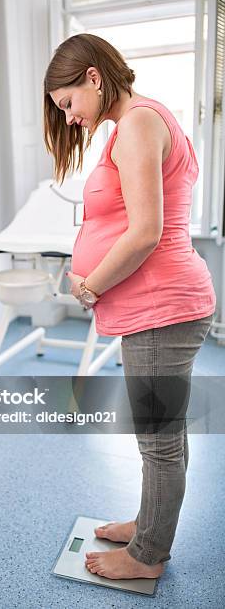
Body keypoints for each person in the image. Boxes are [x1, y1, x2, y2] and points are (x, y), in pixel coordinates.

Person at [44, 34, 216, 580]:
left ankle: (147, 557)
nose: (70, 119)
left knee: (159, 443)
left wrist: (91, 284)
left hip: (161, 308)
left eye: (69, 104)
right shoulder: (141, 120)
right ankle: (149, 523)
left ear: (93, 77)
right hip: (158, 306)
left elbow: (144, 233)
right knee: (164, 436)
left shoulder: (138, 122)